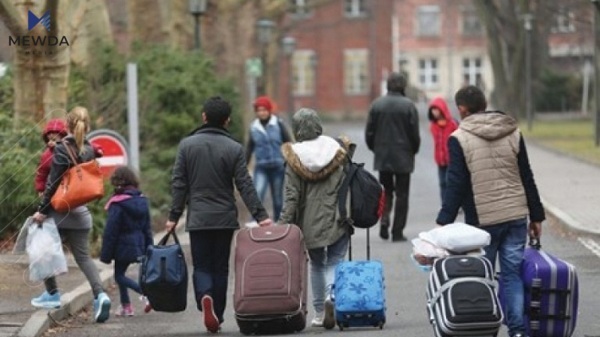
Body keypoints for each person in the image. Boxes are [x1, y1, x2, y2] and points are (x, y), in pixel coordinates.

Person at [435, 85, 544, 337]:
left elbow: (457, 184)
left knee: (481, 278)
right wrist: (536, 215)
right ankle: (517, 331)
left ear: (462, 109)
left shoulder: (458, 138)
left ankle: (485, 328)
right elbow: (526, 175)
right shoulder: (512, 131)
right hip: (516, 214)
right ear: (484, 104)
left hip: (482, 220)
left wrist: (444, 222)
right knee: (512, 276)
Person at [165, 96, 273, 334]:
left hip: (198, 218)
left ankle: (205, 297)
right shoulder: (233, 148)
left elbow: (179, 183)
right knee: (221, 267)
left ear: (204, 117)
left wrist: (174, 215)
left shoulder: (186, 145)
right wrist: (260, 215)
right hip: (224, 217)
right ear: (227, 120)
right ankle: (219, 314)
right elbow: (245, 184)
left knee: (201, 265)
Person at [31, 106, 112, 323]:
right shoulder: (89, 148)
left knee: (42, 251)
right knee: (84, 258)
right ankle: (101, 295)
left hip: (58, 212)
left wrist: (41, 211)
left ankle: (52, 294)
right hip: (81, 213)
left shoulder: (61, 149)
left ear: (67, 125)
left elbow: (54, 183)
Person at [279, 108, 351, 330]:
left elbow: (292, 197)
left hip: (309, 223)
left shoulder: (294, 157)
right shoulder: (337, 149)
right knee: (336, 260)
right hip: (339, 216)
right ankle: (333, 296)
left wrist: (282, 226)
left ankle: (320, 312)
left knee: (318, 264)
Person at [365, 72, 420, 242]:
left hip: (383, 156)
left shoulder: (376, 105)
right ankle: (397, 231)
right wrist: (413, 150)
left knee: (386, 191)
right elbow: (414, 135)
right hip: (404, 155)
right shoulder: (409, 106)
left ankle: (384, 219)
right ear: (403, 86)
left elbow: (369, 133)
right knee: (402, 194)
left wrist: (376, 149)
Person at [100, 166, 153, 317]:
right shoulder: (142, 201)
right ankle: (126, 307)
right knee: (120, 273)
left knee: (119, 276)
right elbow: (147, 228)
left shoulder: (117, 203)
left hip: (121, 245)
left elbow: (111, 231)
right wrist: (149, 248)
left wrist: (106, 254)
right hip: (138, 243)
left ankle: (145, 294)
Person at [245, 96, 292, 221]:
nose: (262, 112)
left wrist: (289, 161)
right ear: (256, 112)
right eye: (259, 110)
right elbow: (249, 147)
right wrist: (244, 166)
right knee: (258, 194)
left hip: (278, 166)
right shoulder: (254, 127)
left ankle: (278, 222)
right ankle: (255, 221)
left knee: (277, 198)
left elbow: (288, 142)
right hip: (261, 167)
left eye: (264, 110)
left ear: (269, 110)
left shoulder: (278, 124)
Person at [427, 97, 458, 204]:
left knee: (451, 182)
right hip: (440, 159)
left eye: (436, 109)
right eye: (432, 110)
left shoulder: (452, 124)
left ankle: (454, 203)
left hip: (451, 158)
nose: (434, 112)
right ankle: (445, 203)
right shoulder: (433, 126)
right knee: (442, 183)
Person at [34, 119, 68, 196]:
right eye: (49, 140)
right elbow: (42, 172)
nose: (51, 142)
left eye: (54, 140)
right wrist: (41, 188)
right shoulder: (47, 155)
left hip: (71, 186)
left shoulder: (69, 150)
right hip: (54, 190)